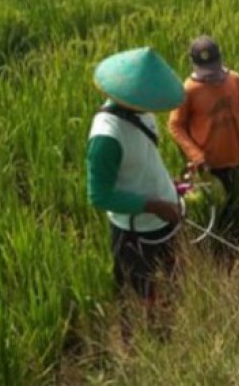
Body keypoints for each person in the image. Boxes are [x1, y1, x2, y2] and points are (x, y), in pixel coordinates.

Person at [86, 46, 185, 336]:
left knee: (171, 278)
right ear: (131, 97)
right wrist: (154, 205)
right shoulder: (106, 137)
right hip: (135, 231)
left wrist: (169, 184)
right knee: (139, 289)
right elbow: (99, 196)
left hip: (165, 219)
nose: (154, 105)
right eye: (149, 99)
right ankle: (143, 339)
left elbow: (145, 159)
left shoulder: (143, 114)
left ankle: (170, 327)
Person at [168, 36, 239, 258]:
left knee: (233, 210)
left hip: (234, 160)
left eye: (214, 69)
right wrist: (196, 155)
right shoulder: (188, 90)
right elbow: (175, 126)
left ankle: (236, 252)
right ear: (194, 64)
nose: (211, 77)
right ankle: (212, 257)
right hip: (207, 169)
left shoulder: (235, 81)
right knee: (210, 217)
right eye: (206, 72)